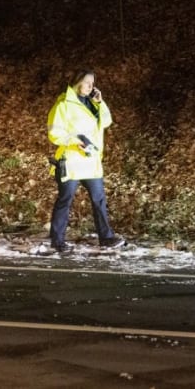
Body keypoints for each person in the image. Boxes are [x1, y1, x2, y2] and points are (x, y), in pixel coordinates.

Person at [47, 70, 124, 253]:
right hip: (71, 161)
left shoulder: (92, 104)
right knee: (65, 200)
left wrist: (100, 102)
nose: (91, 86)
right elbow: (54, 133)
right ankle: (57, 242)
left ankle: (106, 238)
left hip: (91, 161)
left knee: (99, 200)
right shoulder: (63, 105)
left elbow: (107, 122)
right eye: (87, 82)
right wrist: (75, 141)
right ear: (76, 82)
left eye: (92, 83)